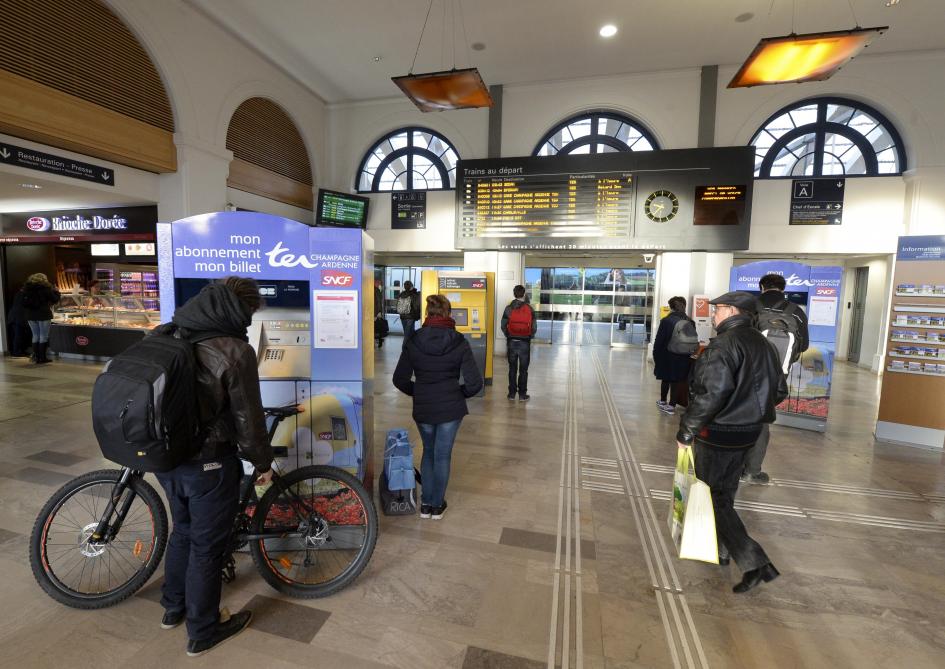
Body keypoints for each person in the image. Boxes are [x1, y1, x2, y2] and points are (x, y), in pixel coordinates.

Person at [152, 276, 273, 657]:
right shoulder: (234, 349)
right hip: (209, 463)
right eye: (250, 312)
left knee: (183, 531)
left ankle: (173, 608)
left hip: (166, 458)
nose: (250, 320)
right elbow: (248, 420)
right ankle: (203, 630)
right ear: (239, 309)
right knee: (207, 546)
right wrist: (262, 463)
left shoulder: (167, 333)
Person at [676, 291, 788, 594]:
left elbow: (711, 394)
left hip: (719, 433)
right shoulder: (764, 345)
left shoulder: (723, 346)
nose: (713, 314)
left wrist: (687, 431)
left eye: (718, 309)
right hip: (749, 432)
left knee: (713, 497)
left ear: (733, 311)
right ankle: (723, 550)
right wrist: (750, 406)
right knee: (725, 493)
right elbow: (779, 390)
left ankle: (755, 562)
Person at [393, 294, 483, 520]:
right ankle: (436, 505)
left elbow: (399, 379)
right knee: (442, 455)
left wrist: (420, 392)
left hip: (424, 407)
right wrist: (456, 394)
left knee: (428, 452)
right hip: (450, 409)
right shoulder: (458, 340)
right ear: (448, 314)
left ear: (427, 314)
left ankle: (425, 505)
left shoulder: (413, 339)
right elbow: (474, 384)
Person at [742, 273, 810, 484]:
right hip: (777, 375)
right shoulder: (796, 312)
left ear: (761, 286)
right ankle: (752, 471)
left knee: (737, 415)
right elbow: (804, 345)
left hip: (746, 371)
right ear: (783, 288)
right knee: (762, 420)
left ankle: (733, 466)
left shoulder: (750, 307)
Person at [652, 296, 693, 415]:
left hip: (667, 354)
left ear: (671, 308)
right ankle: (671, 404)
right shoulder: (690, 321)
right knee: (677, 379)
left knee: (666, 377)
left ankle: (664, 402)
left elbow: (659, 340)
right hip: (684, 355)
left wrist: (656, 354)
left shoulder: (666, 321)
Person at [500, 284, 537, 401]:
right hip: (524, 343)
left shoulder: (508, 308)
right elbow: (534, 327)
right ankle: (522, 395)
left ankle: (511, 394)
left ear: (514, 294)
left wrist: (509, 335)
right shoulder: (529, 309)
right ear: (524, 294)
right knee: (523, 370)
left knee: (512, 369)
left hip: (512, 342)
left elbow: (503, 325)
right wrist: (529, 336)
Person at [20, 273, 61, 364]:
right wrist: (57, 292)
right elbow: (54, 299)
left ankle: (36, 357)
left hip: (30, 315)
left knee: (35, 336)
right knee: (43, 336)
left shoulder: (26, 289)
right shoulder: (46, 288)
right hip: (43, 314)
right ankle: (42, 358)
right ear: (44, 279)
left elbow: (23, 303)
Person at [6, 284, 30, 358]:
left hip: (14, 317)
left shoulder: (18, 294)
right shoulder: (23, 295)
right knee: (18, 335)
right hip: (18, 318)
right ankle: (17, 352)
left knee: (18, 335)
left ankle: (19, 351)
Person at [397, 280, 422, 346]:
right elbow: (416, 306)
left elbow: (398, 304)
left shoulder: (401, 294)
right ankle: (404, 349)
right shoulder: (414, 294)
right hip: (410, 317)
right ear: (411, 286)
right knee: (407, 335)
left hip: (402, 316)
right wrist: (417, 316)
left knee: (408, 332)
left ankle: (411, 347)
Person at [374, 280, 388, 348]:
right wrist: (379, 312)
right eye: (379, 283)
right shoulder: (376, 290)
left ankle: (377, 340)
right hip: (376, 312)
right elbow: (378, 302)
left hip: (374, 311)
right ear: (375, 283)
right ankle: (378, 340)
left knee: (376, 326)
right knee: (378, 327)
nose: (380, 285)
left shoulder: (374, 289)